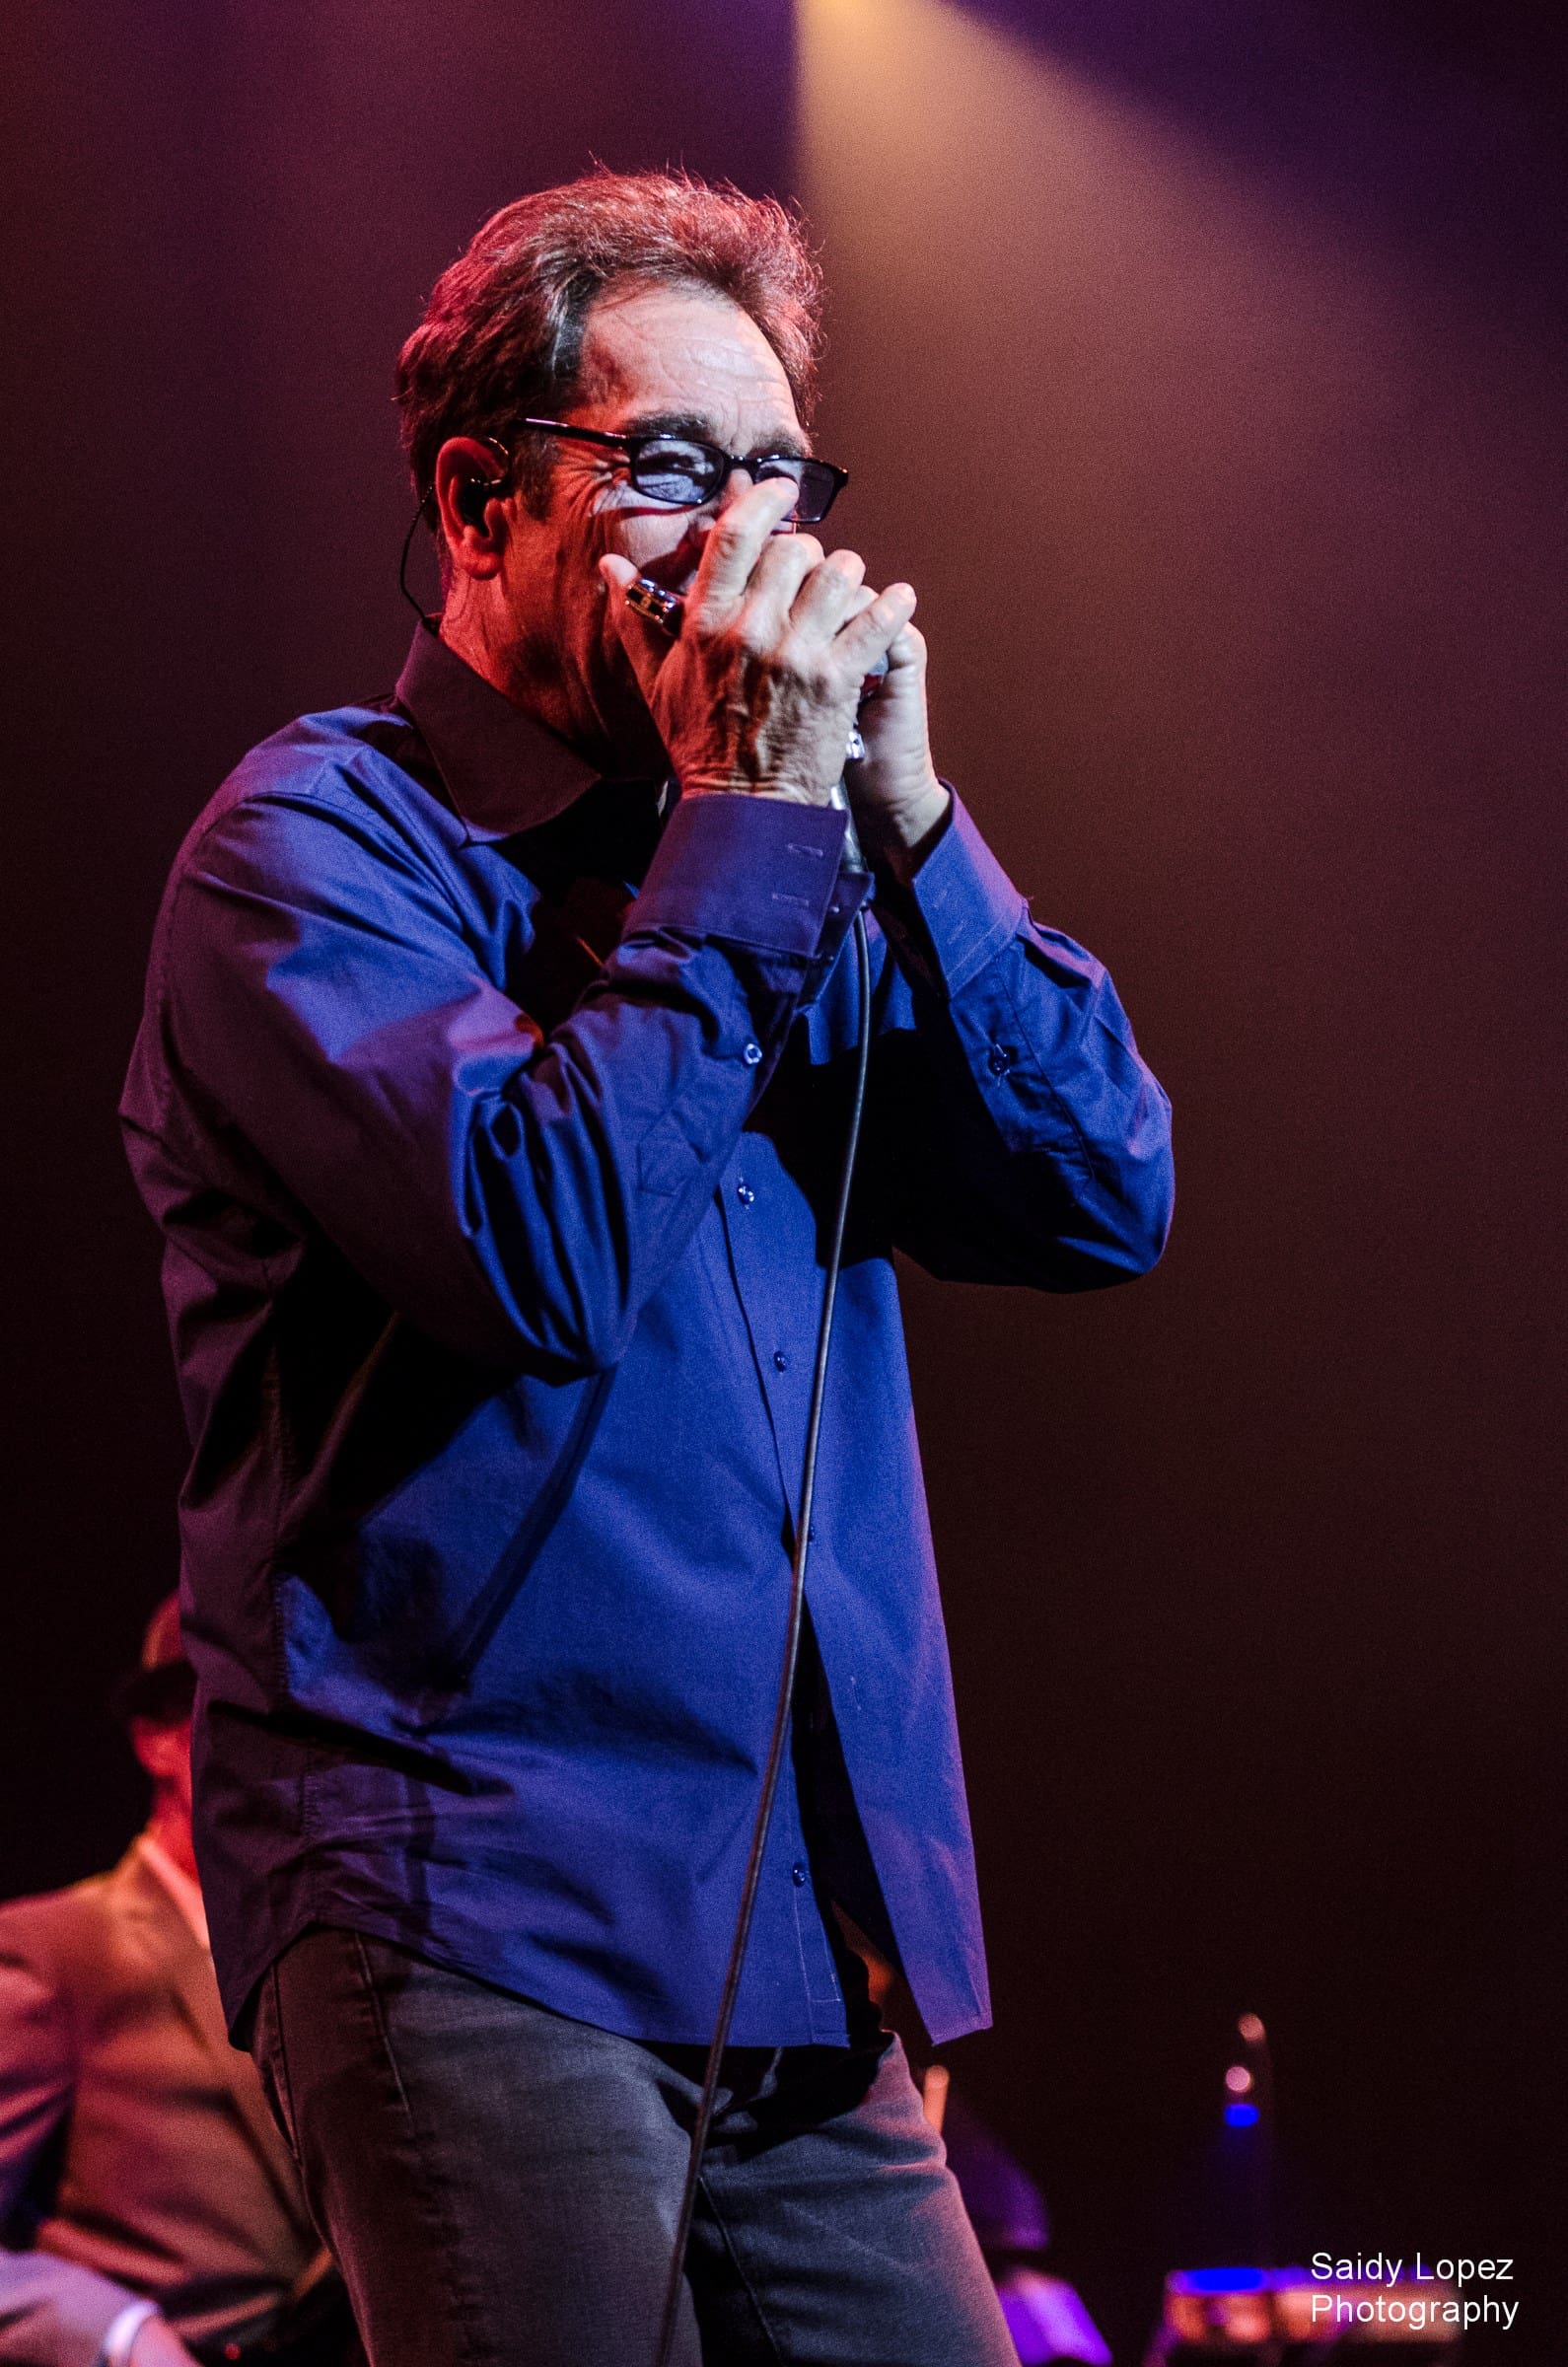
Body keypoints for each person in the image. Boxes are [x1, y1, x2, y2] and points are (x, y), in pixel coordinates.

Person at [119, 170, 1175, 2366]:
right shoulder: (315, 846)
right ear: (479, 500)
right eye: (677, 465)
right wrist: (754, 824)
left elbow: (1102, 1193)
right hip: (472, 1906)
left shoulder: (782, 847)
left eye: (782, 471)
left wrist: (911, 821)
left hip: (802, 1956)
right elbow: (540, 1248)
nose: (749, 536)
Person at [0, 1600, 355, 2367]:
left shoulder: (328, 1955)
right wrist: (114, 2331)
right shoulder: (53, 1949)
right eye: (245, 1716)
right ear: (159, 1740)